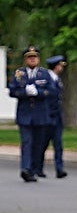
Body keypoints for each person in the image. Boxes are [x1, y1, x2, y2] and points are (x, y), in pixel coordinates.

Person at [8, 45, 52, 182]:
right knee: (26, 142)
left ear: (38, 59)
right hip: (25, 114)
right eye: (29, 57)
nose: (32, 59)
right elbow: (12, 91)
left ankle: (33, 169)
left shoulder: (44, 74)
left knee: (38, 144)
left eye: (34, 57)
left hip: (40, 114)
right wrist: (24, 93)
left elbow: (51, 91)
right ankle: (25, 169)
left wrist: (38, 93)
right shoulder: (19, 74)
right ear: (25, 59)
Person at [45, 55, 68, 178]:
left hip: (57, 116)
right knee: (43, 143)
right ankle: (37, 167)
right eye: (60, 65)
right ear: (56, 66)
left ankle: (59, 168)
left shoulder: (57, 80)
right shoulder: (46, 78)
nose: (61, 68)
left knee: (58, 144)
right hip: (47, 116)